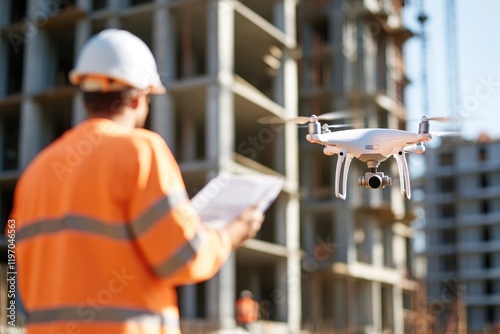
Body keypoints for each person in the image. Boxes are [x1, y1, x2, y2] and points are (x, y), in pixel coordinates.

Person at [11, 29, 264, 334]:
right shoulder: (140, 151)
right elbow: (184, 257)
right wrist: (232, 233)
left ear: (86, 93)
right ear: (138, 97)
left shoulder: (36, 172)